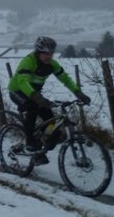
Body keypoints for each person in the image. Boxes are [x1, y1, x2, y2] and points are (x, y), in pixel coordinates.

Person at [7, 36, 91, 165]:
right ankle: (30, 143)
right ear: (38, 52)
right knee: (32, 108)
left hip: (35, 94)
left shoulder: (52, 64)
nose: (49, 56)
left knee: (50, 121)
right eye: (45, 53)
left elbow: (66, 79)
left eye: (51, 53)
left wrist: (79, 93)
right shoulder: (28, 62)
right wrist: (37, 98)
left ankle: (39, 148)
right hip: (18, 91)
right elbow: (23, 82)